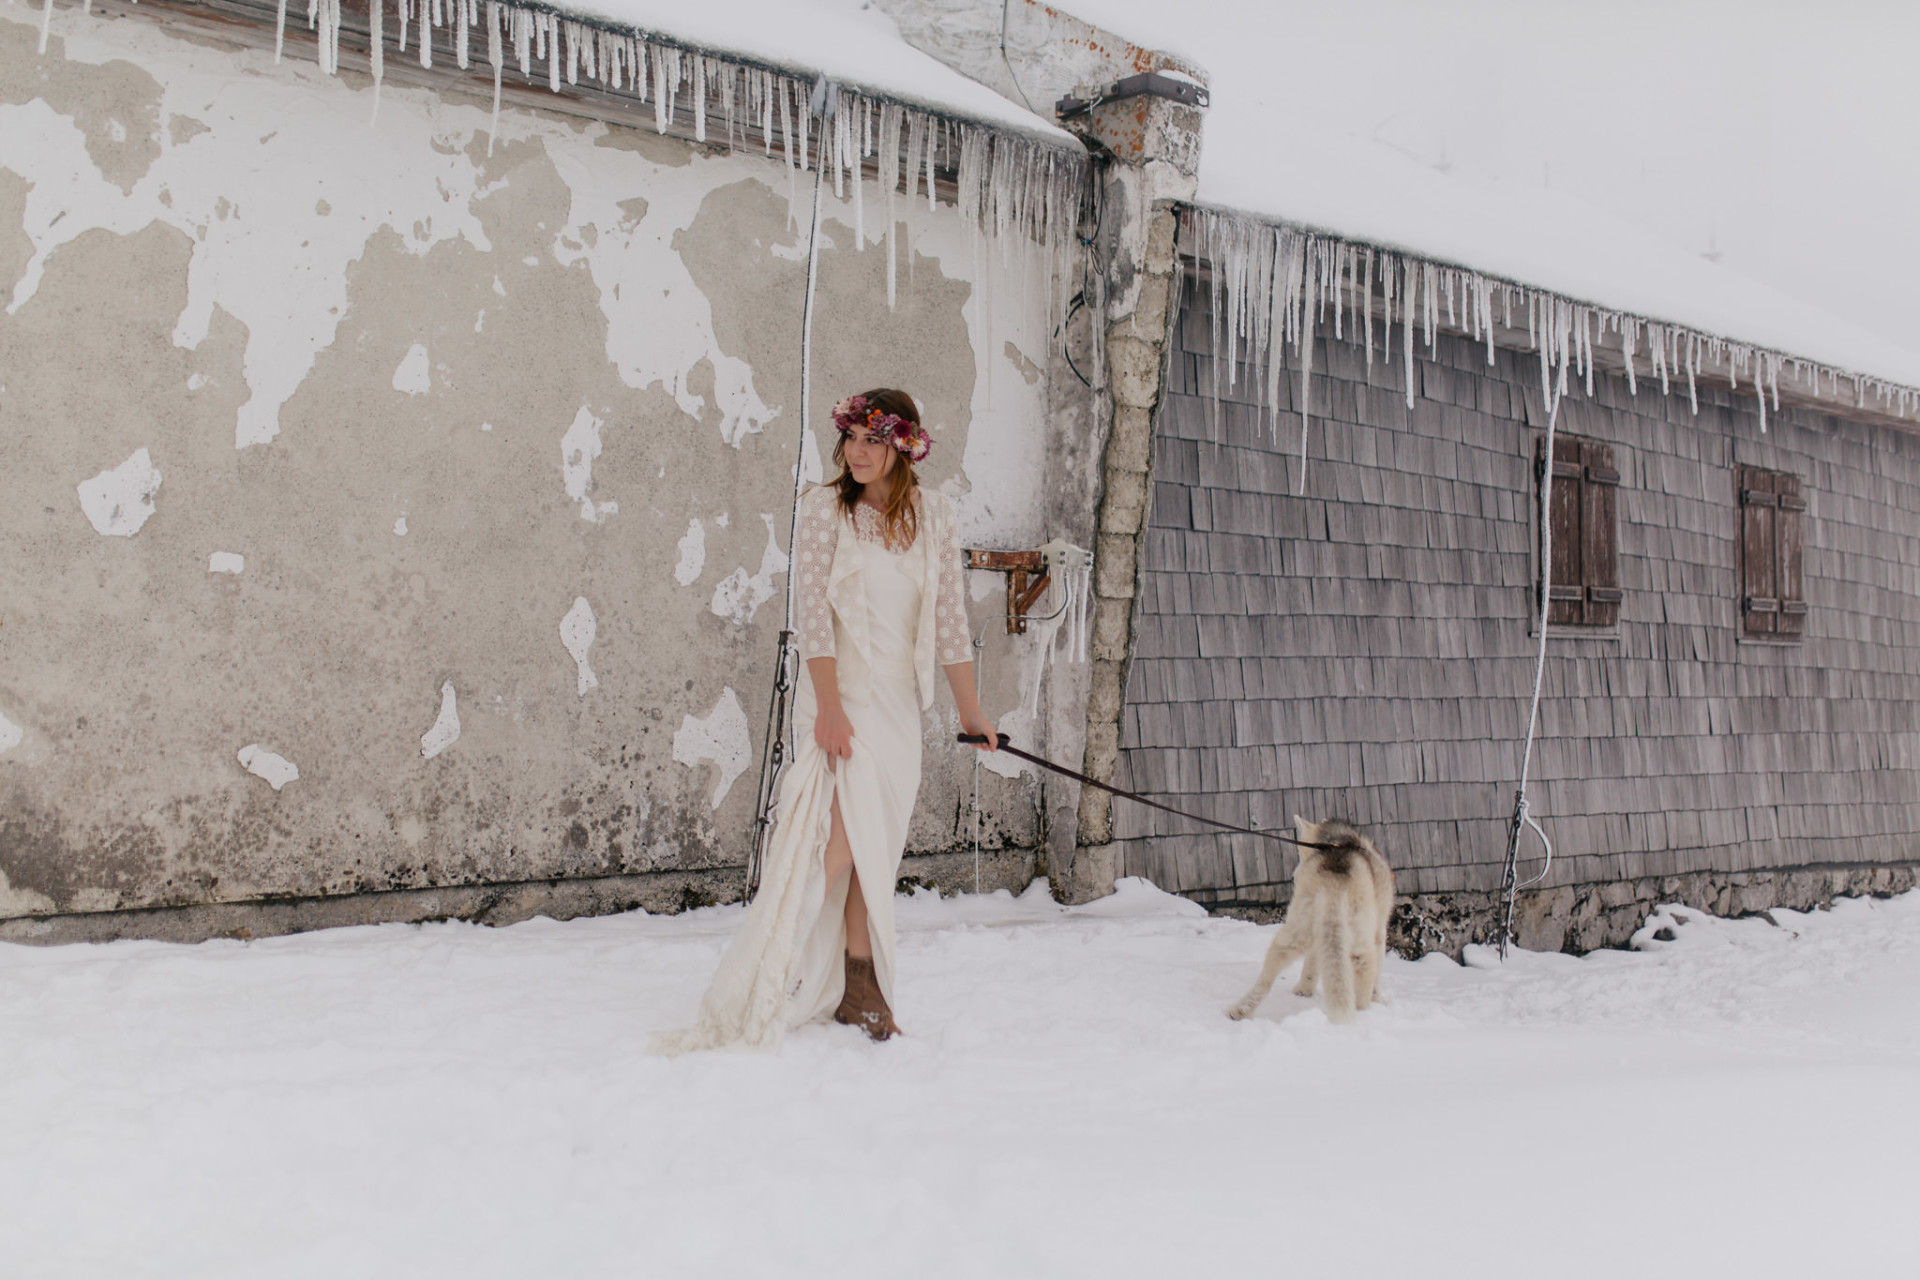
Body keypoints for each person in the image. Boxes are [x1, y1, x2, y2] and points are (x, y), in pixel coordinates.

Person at [652, 389, 996, 1053]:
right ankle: (773, 971)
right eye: (852, 439)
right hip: (840, 698)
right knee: (835, 847)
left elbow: (950, 622)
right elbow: (814, 618)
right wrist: (830, 711)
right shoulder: (823, 511)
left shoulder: (935, 516)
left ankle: (858, 983)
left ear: (904, 446)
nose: (859, 453)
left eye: (875, 440)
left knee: (878, 846)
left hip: (897, 705)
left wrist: (973, 712)